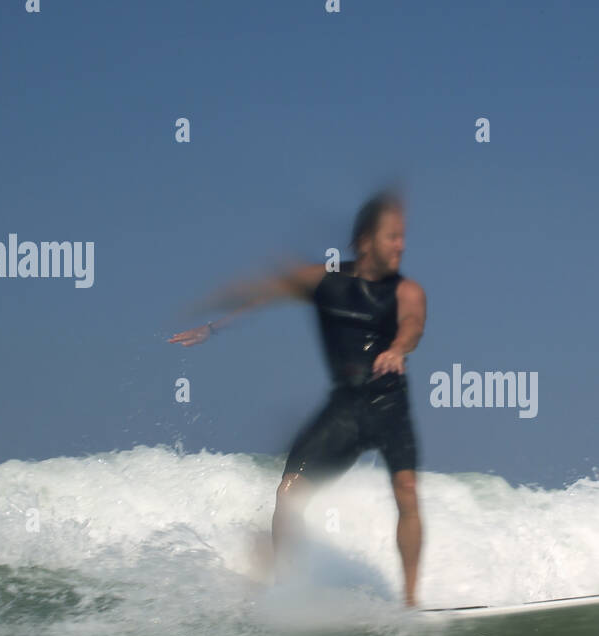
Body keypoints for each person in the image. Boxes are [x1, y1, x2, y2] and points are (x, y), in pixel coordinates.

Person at [168, 191, 427, 606]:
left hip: (388, 406)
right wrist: (213, 327)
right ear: (364, 241)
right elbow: (265, 292)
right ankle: (285, 596)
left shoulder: (407, 291)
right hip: (344, 409)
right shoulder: (325, 281)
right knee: (287, 495)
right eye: (392, 237)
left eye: (402, 237)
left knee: (407, 491)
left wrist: (398, 348)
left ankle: (411, 605)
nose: (402, 245)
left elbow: (413, 324)